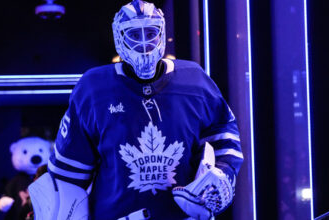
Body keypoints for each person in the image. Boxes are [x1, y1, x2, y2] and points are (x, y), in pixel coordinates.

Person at [44, 0, 244, 219]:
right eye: (134, 35)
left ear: (162, 33)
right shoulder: (93, 88)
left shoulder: (196, 81)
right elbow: (67, 177)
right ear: (119, 38)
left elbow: (224, 141)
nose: (144, 44)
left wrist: (223, 173)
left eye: (150, 33)